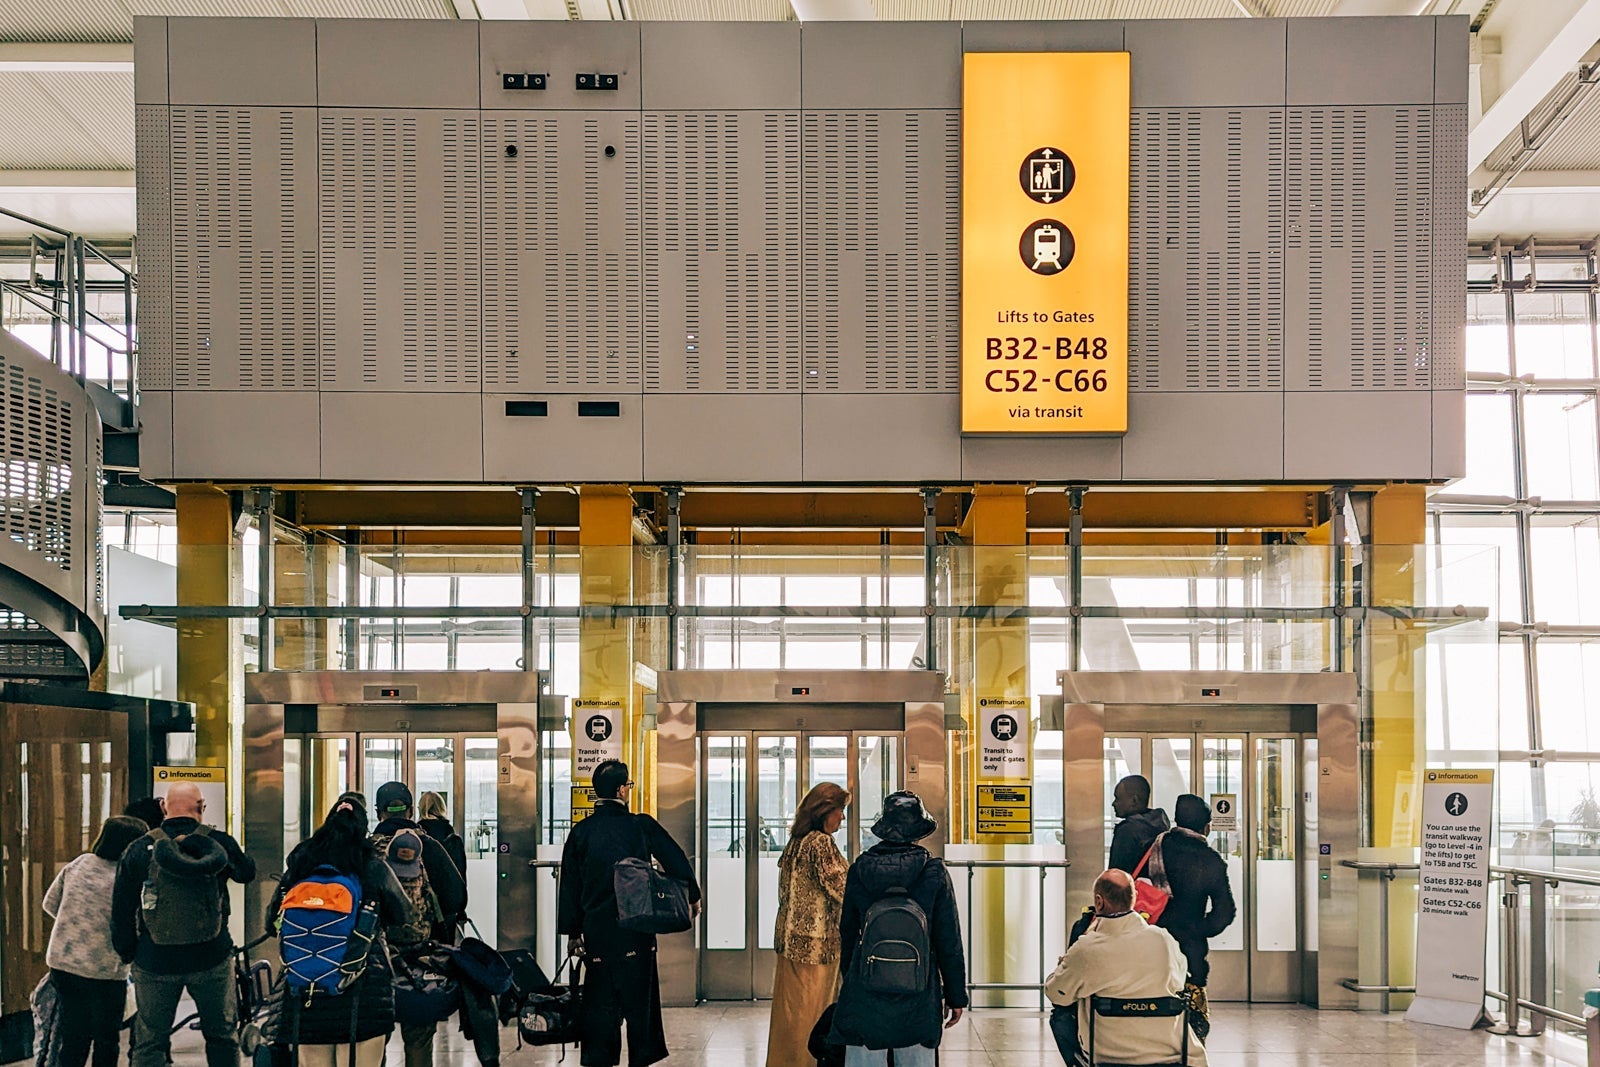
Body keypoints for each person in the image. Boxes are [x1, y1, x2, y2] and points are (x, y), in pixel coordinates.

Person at [557, 759, 701, 1067]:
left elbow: (570, 885)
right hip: (637, 930)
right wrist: (693, 896)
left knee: (600, 1006)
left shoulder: (581, 832)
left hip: (598, 934)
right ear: (622, 790)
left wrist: (572, 933)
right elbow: (675, 859)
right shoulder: (640, 825)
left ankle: (601, 1059)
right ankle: (640, 1058)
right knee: (640, 1007)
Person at [112, 782, 258, 1067]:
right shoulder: (218, 843)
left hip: (155, 961)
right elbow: (246, 874)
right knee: (221, 1036)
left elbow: (121, 909)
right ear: (202, 807)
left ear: (164, 807)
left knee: (151, 1040)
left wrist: (130, 953)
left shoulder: (140, 848)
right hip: (211, 958)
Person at [267, 795, 414, 1067]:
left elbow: (271, 922)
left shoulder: (300, 867)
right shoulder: (371, 865)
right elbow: (404, 915)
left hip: (306, 990)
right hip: (363, 989)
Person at [828, 791, 967, 1067]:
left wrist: (852, 977)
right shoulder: (933, 871)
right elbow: (948, 939)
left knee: (863, 1056)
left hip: (866, 988)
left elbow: (846, 932)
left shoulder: (860, 869)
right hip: (919, 991)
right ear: (918, 831)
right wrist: (955, 995)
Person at [1044, 869, 1208, 1067]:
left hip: (1108, 1056)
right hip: (1169, 1053)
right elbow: (1180, 979)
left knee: (1060, 1016)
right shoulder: (1163, 939)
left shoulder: (1087, 948)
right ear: (1134, 898)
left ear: (1099, 901)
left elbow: (1056, 994)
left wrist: (1066, 965)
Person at [370, 781, 467, 1067]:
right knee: (419, 1037)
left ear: (379, 813)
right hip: (420, 960)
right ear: (411, 811)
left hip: (373, 961)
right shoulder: (429, 847)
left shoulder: (364, 850)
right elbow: (456, 899)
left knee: (375, 1038)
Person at [43, 815, 149, 1067]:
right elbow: (135, 924)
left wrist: (77, 924)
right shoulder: (129, 877)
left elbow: (50, 904)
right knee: (107, 1038)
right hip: (106, 970)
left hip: (63, 963)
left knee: (73, 1036)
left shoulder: (79, 864)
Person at [766, 783, 851, 1067]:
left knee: (789, 1014)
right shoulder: (820, 843)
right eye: (840, 810)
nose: (842, 817)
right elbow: (844, 889)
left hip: (789, 941)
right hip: (817, 946)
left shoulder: (796, 841)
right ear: (824, 811)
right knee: (814, 1014)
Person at [1154, 794, 1236, 1042]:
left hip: (1151, 942)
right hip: (1189, 948)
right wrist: (1199, 929)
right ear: (1206, 826)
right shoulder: (1210, 860)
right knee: (1191, 1023)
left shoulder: (1156, 845)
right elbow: (1225, 911)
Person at [416, 791, 469, 941]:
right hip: (447, 905)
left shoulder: (415, 838)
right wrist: (461, 908)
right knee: (445, 952)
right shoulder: (453, 839)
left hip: (420, 904)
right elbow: (461, 874)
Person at [1108, 774, 1171, 875]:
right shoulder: (1161, 825)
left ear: (1134, 800)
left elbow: (1116, 876)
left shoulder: (1126, 831)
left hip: (1133, 889)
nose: (1113, 803)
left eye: (1118, 798)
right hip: (1153, 889)